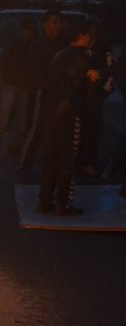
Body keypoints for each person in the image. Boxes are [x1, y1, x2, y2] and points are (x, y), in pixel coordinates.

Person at [37, 19, 100, 215]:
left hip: (51, 113)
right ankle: (63, 203)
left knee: (49, 158)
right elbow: (80, 91)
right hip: (69, 115)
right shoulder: (82, 58)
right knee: (67, 160)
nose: (93, 38)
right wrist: (95, 81)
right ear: (81, 36)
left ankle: (44, 201)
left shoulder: (60, 55)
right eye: (91, 34)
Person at [18, 10, 65, 171]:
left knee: (55, 129)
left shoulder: (60, 44)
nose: (58, 26)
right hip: (42, 92)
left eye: (59, 22)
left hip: (57, 92)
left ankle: (52, 161)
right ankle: (25, 162)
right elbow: (35, 72)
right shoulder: (38, 46)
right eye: (55, 22)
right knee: (36, 128)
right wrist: (47, 84)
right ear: (46, 24)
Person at [0, 18, 38, 158]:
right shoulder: (15, 45)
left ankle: (13, 146)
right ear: (23, 29)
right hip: (11, 84)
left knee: (21, 121)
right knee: (4, 117)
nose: (31, 32)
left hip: (23, 86)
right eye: (29, 28)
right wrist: (7, 80)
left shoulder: (32, 47)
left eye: (33, 29)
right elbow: (4, 63)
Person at [78, 25, 115, 177]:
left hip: (95, 96)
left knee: (93, 130)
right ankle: (77, 160)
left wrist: (104, 91)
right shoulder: (79, 48)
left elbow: (111, 70)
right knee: (78, 129)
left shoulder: (103, 48)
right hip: (80, 95)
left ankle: (89, 163)